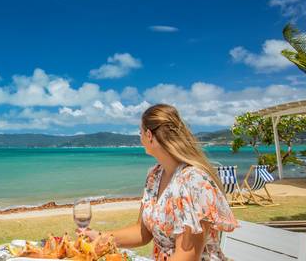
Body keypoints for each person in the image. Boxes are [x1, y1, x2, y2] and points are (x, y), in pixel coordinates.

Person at [82, 104, 237, 261]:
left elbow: (187, 256)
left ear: (149, 135)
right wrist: (101, 238)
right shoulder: (154, 176)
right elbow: (142, 232)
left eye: (140, 133)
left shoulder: (194, 182)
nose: (140, 138)